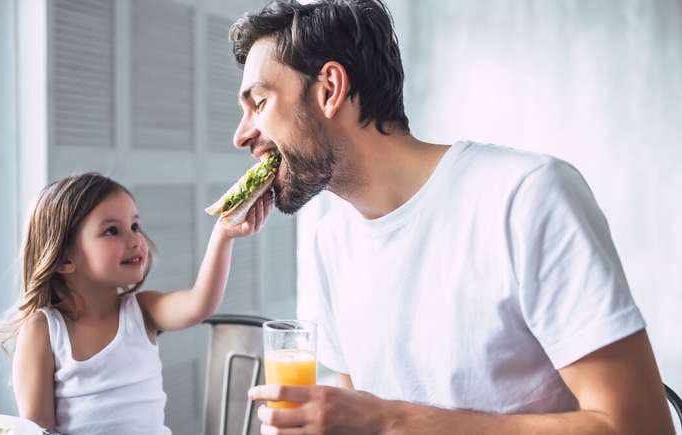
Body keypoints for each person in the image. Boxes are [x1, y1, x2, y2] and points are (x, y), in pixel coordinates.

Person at [229, 1, 675, 434]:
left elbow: (640, 426)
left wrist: (390, 422)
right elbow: (356, 416)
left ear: (329, 89)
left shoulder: (527, 195)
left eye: (260, 103)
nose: (241, 135)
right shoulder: (330, 240)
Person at [0, 173, 272, 434]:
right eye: (112, 230)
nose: (135, 239)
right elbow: (37, 429)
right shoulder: (44, 329)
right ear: (63, 259)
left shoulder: (142, 310)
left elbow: (200, 303)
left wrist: (223, 234)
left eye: (135, 225)